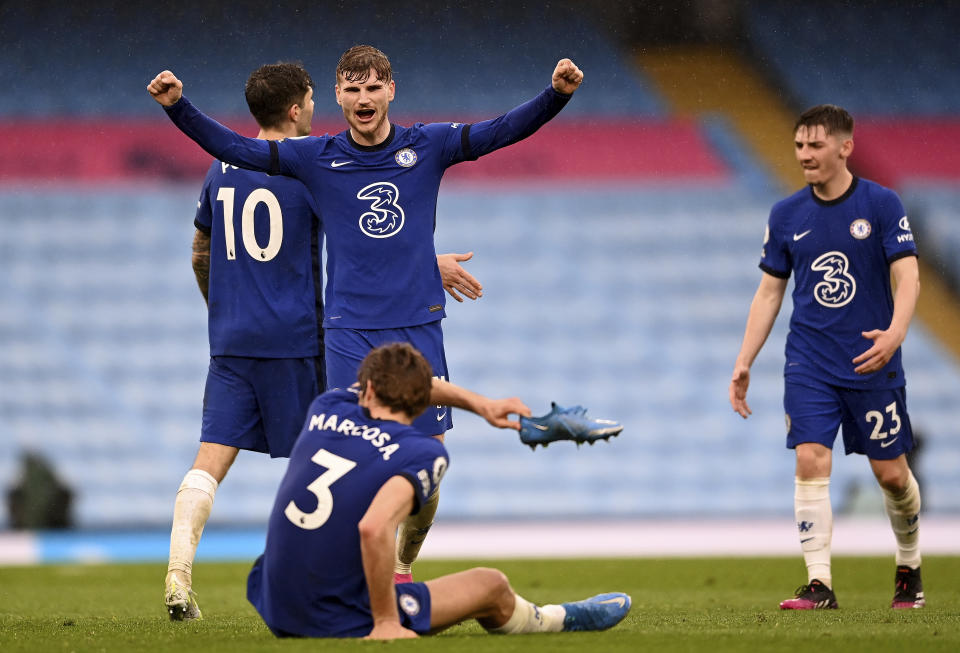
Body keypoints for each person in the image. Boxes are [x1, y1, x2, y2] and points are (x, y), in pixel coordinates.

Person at [148, 47, 583, 584]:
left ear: (390, 91)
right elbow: (236, 146)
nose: (363, 99)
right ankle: (350, 572)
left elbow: (502, 130)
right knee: (360, 456)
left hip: (419, 324)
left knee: (429, 467)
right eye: (352, 89)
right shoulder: (316, 157)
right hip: (348, 331)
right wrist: (178, 107)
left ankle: (400, 567)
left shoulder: (429, 144)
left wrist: (555, 95)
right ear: (338, 96)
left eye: (373, 88)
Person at [165, 61, 484, 621]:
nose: (320, 105)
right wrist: (431, 263)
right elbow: (363, 236)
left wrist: (222, 311)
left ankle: (178, 575)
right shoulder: (312, 170)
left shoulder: (222, 170)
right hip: (303, 340)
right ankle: (354, 583)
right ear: (299, 107)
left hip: (233, 340)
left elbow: (199, 250)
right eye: (316, 95)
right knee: (349, 462)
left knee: (209, 462)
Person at [247, 342, 631, 639]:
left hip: (273, 598)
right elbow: (374, 527)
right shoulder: (424, 451)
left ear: (366, 391)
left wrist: (482, 406)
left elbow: (409, 388)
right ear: (419, 405)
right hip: (329, 617)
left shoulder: (328, 407)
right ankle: (555, 621)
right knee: (491, 586)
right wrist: (384, 622)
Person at [728, 105, 924, 610]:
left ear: (844, 147)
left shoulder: (881, 204)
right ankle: (820, 584)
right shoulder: (786, 214)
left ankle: (909, 565)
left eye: (816, 146)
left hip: (871, 361)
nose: (805, 156)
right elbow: (770, 292)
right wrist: (745, 359)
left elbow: (908, 275)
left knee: (892, 475)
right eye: (799, 146)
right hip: (810, 362)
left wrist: (896, 333)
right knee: (811, 460)